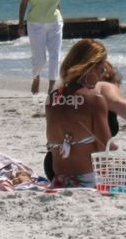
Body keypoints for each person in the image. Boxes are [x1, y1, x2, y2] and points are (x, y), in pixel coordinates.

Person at [42, 60, 126, 179]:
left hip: (54, 166)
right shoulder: (102, 87)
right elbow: (118, 103)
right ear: (107, 74)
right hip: (87, 168)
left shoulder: (62, 92)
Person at [45, 39, 111, 188]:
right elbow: (105, 151)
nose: (104, 71)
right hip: (89, 179)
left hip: (59, 178)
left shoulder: (53, 98)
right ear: (90, 68)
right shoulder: (94, 100)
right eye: (102, 65)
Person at [18, 0, 66, 95]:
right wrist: (21, 24)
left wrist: (62, 18)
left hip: (55, 23)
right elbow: (23, 4)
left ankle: (52, 87)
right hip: (35, 23)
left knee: (55, 55)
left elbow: (57, 3)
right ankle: (36, 77)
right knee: (40, 58)